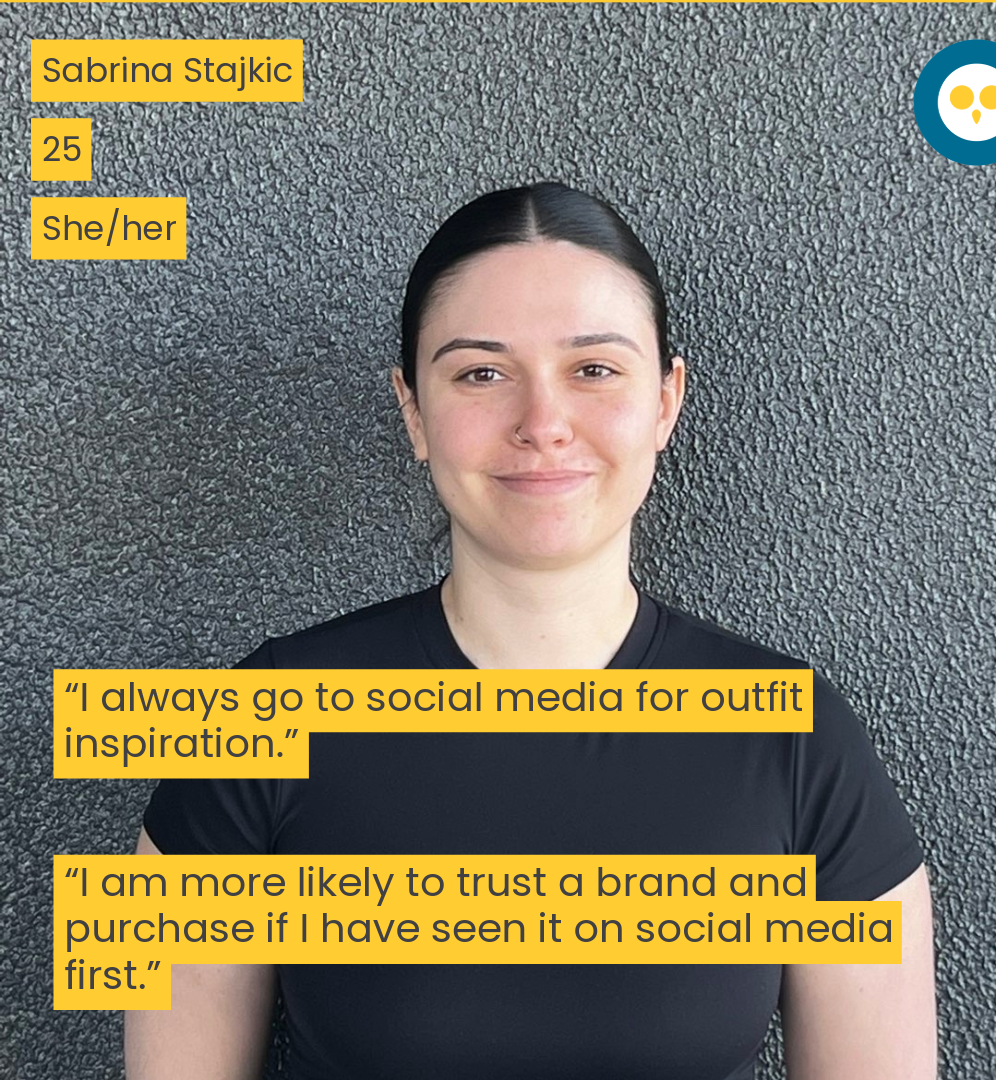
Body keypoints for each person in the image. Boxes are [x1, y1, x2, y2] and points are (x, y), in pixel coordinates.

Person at [126, 182, 937, 1079]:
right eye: (480, 372)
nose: (543, 424)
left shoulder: (794, 740)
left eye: (594, 369)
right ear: (412, 411)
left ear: (666, 400)